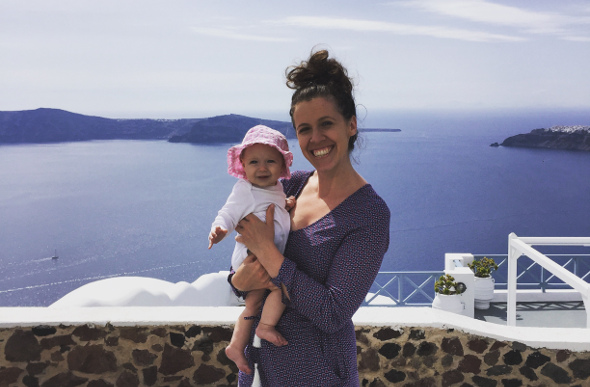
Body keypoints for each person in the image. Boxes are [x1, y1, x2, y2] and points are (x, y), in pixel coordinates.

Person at [230, 49, 391, 386]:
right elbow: (244, 254)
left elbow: (332, 313)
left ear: (351, 124)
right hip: (259, 367)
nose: (315, 139)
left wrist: (271, 257)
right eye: (304, 129)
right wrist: (237, 282)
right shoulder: (291, 184)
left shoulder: (369, 214)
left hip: (315, 374)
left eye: (326, 124)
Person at [208, 125, 294, 375]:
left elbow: (270, 209)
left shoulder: (275, 188)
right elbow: (228, 212)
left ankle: (236, 346)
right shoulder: (245, 189)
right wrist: (220, 228)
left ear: (282, 166)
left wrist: (284, 205)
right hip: (252, 257)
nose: (262, 168)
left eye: (270, 161)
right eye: (254, 162)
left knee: (253, 303)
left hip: (264, 256)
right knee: (283, 289)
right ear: (243, 164)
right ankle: (265, 327)